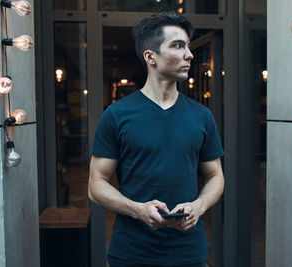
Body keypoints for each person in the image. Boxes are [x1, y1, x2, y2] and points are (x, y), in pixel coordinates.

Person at [88, 11, 225, 267]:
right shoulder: (117, 115)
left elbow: (216, 175)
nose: (189, 54)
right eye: (177, 46)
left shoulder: (202, 116)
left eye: (188, 46)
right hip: (131, 253)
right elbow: (96, 184)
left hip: (189, 253)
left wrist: (200, 205)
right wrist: (137, 209)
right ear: (150, 57)